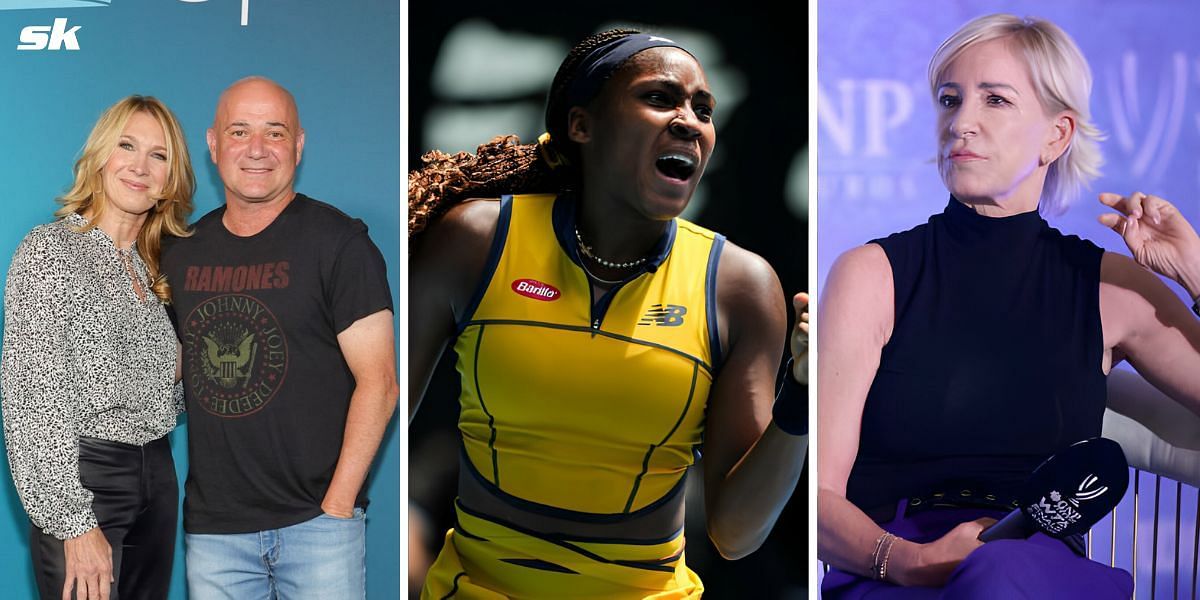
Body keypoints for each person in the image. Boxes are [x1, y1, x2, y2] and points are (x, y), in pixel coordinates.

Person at [410, 29, 809, 598]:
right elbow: (383, 424)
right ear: (581, 125)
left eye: (703, 109)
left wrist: (799, 397)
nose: (689, 122)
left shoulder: (740, 286)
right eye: (660, 98)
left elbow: (735, 534)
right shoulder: (476, 240)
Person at [818, 13, 1200, 598]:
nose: (961, 123)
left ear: (1057, 134)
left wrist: (1195, 275)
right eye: (950, 100)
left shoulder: (1109, 288)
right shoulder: (870, 275)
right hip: (888, 563)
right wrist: (908, 561)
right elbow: (818, 494)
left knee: (1001, 575)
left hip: (1033, 570)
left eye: (995, 100)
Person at [160, 76, 398, 599]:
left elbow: (379, 384)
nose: (258, 150)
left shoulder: (339, 243)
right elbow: (170, 374)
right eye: (239, 131)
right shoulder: (181, 254)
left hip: (318, 527)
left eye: (275, 132)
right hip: (215, 532)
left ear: (299, 144)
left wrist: (336, 507)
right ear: (214, 143)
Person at [1, 95, 193, 600]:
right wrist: (72, 522)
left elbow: (166, 392)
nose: (140, 166)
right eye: (127, 146)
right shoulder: (51, 251)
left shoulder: (158, 271)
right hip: (87, 478)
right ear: (101, 156)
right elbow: (32, 401)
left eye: (159, 155)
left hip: (159, 477)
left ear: (171, 178)